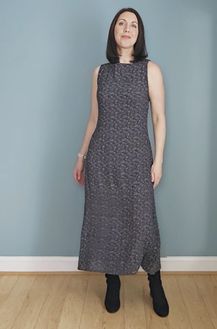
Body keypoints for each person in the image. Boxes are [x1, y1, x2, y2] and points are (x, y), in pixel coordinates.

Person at [73, 7, 169, 317]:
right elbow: (93, 119)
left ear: (139, 35)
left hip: (137, 158)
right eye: (121, 23)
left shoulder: (150, 69)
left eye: (133, 25)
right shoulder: (99, 72)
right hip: (102, 158)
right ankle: (111, 281)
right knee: (105, 221)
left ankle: (155, 282)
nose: (127, 29)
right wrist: (81, 156)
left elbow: (159, 117)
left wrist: (159, 160)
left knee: (144, 223)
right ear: (114, 31)